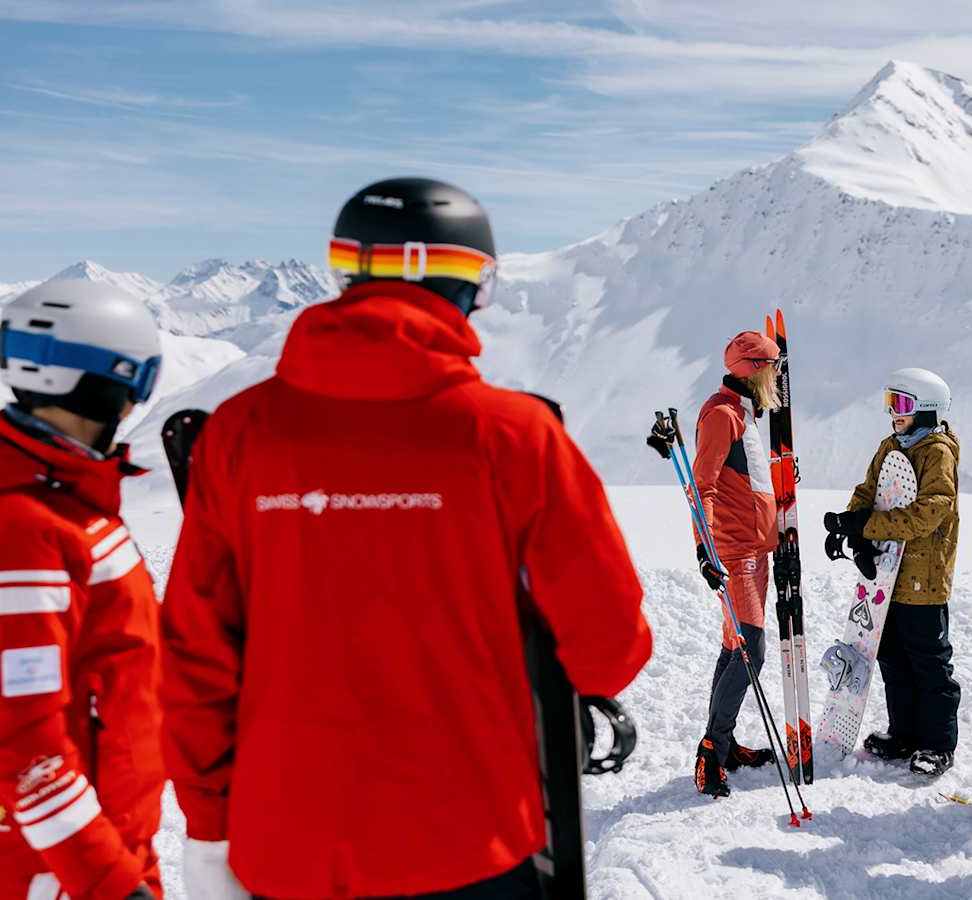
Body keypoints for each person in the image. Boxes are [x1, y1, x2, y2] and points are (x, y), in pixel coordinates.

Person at [159, 177, 652, 900]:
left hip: (288, 845)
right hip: (471, 842)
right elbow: (608, 647)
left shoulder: (239, 433)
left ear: (347, 272)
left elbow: (196, 653)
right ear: (466, 282)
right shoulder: (513, 437)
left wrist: (208, 831)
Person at [0, 281, 165, 900]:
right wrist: (110, 884)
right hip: (61, 866)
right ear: (108, 384)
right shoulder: (20, 534)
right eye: (139, 383)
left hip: (99, 839)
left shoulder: (62, 505)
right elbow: (25, 747)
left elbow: (109, 652)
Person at [823, 368, 962, 778]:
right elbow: (869, 490)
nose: (892, 414)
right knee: (893, 659)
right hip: (889, 575)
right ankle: (904, 734)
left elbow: (931, 512)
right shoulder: (891, 445)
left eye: (900, 405)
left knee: (928, 662)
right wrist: (851, 526)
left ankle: (936, 744)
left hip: (924, 579)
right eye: (889, 403)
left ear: (925, 409)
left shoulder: (937, 451)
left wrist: (868, 527)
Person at [689, 330, 782, 798]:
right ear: (753, 371)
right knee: (752, 651)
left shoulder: (745, 413)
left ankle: (723, 745)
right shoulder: (723, 416)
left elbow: (744, 480)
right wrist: (706, 548)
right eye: (772, 367)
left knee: (734, 649)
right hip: (735, 552)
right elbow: (702, 485)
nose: (777, 376)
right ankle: (710, 751)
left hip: (756, 548)